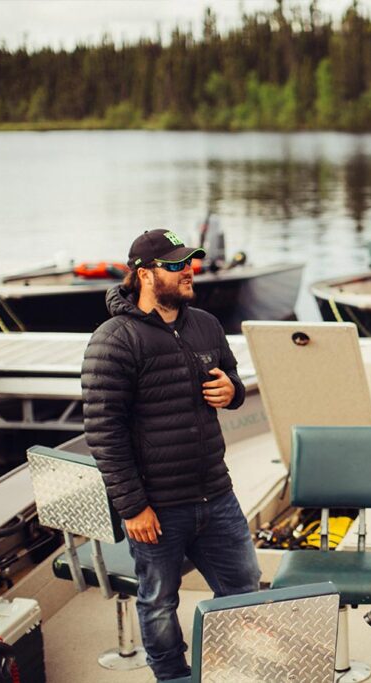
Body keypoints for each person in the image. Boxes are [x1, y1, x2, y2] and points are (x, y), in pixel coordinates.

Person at [81, 229, 260, 681]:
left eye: (190, 263)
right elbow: (104, 432)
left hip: (216, 495)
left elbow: (233, 379)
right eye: (177, 265)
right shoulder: (113, 339)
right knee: (159, 602)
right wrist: (133, 507)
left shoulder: (205, 324)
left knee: (244, 589)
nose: (189, 271)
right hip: (156, 507)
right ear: (144, 275)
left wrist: (232, 391)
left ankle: (232, 668)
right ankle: (172, 676)